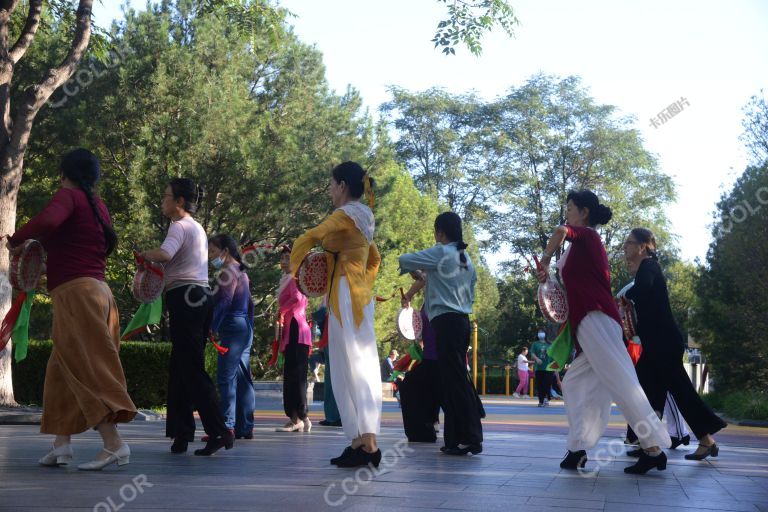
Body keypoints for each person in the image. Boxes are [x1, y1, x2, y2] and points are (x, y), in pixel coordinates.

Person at [8, 149, 136, 470]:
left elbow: (48, 220)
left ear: (65, 174)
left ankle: (114, 444)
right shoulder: (98, 207)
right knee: (60, 370)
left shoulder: (69, 196)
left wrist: (16, 238)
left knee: (87, 368)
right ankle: (61, 445)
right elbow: (77, 253)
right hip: (99, 293)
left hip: (77, 297)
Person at [537, 190, 670, 474]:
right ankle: (578, 449)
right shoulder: (579, 245)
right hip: (587, 321)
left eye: (571, 208)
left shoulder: (588, 236)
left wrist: (546, 258)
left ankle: (653, 449)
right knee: (574, 384)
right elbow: (572, 283)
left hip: (597, 318)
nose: (567, 212)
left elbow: (561, 230)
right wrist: (548, 278)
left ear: (584, 212)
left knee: (622, 382)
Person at [290, 161, 382, 467]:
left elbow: (311, 236)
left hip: (344, 294)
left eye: (331, 184)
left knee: (346, 365)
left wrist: (298, 270)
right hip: (358, 295)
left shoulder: (346, 214)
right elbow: (374, 259)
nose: (330, 190)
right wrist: (364, 282)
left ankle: (364, 442)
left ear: (342, 185)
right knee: (360, 364)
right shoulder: (365, 215)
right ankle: (362, 441)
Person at [141, 178, 232, 456]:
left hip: (186, 298)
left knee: (190, 368)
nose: (162, 201)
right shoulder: (197, 228)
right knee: (181, 366)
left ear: (179, 202)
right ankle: (181, 434)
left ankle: (219, 430)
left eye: (166, 196)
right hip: (199, 298)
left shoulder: (179, 226)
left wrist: (145, 255)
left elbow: (165, 254)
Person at [623, 228, 726, 461]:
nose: (625, 247)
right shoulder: (647, 267)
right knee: (656, 391)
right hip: (658, 344)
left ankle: (645, 443)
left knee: (656, 390)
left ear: (642, 247)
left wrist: (625, 297)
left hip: (663, 345)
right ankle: (653, 443)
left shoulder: (648, 266)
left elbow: (644, 288)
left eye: (629, 243)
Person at [399, 211, 484, 456]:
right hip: (462, 322)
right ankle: (459, 438)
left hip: (445, 323)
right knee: (456, 381)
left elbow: (406, 259)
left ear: (440, 232)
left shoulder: (440, 251)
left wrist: (417, 270)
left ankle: (470, 437)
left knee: (454, 382)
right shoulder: (466, 258)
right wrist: (424, 275)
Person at [208, 234, 256, 440]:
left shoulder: (228, 272)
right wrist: (249, 328)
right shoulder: (241, 271)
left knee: (226, 378)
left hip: (231, 326)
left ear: (225, 251)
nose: (210, 256)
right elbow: (251, 304)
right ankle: (245, 426)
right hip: (244, 326)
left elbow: (224, 302)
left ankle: (226, 426)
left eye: (212, 251)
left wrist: (213, 326)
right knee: (243, 378)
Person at [400, 278, 442, 442]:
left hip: (438, 358)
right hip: (431, 357)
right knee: (420, 388)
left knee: (412, 387)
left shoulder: (441, 300)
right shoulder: (430, 301)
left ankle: (427, 427)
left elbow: (420, 274)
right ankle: (427, 426)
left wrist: (409, 294)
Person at [276, 245, 312, 433]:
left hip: (297, 328)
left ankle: (300, 415)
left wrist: (280, 310)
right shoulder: (288, 279)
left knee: (296, 376)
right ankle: (296, 417)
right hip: (292, 329)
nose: (284, 261)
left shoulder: (296, 279)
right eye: (282, 257)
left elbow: (297, 300)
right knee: (291, 375)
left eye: (288, 257)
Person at [312, 305, 342, 427]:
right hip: (329, 337)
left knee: (336, 379)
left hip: (335, 336)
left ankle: (337, 416)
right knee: (330, 379)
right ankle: (332, 416)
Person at [530, 330, 554, 407]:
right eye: (539, 332)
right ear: (537, 334)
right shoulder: (535, 344)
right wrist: (536, 359)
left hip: (549, 368)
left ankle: (547, 398)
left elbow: (554, 354)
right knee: (540, 385)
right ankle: (541, 401)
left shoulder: (549, 344)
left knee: (546, 384)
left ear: (545, 334)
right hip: (539, 368)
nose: (541, 333)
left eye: (542, 332)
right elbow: (532, 353)